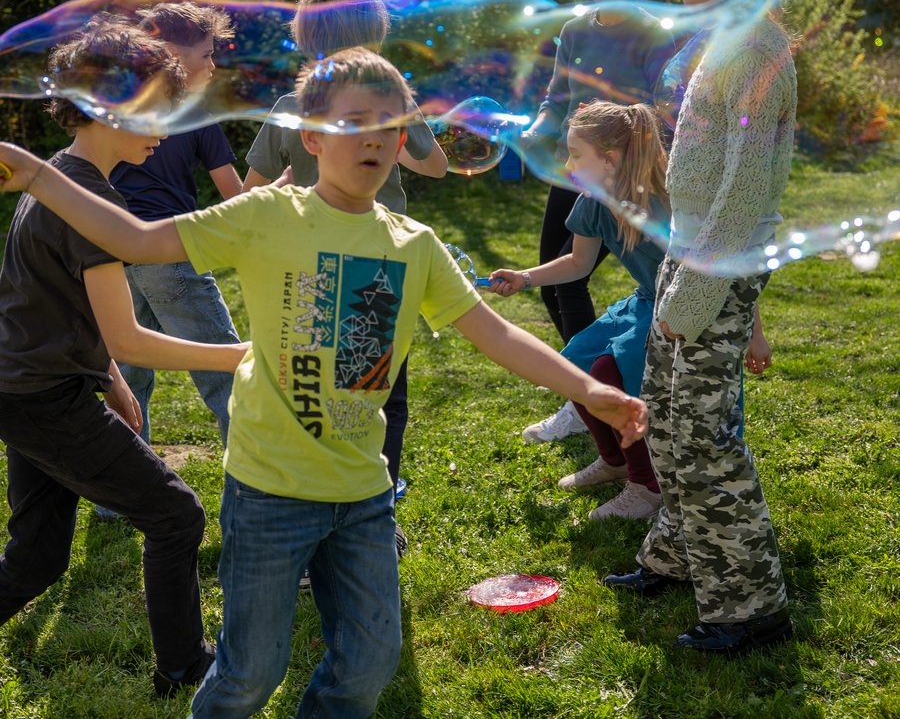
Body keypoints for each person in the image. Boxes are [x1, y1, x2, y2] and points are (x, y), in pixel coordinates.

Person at [0, 46, 648, 718]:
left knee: (368, 663)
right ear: (310, 138)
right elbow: (133, 239)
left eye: (389, 124)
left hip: (362, 492)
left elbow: (497, 333)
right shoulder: (264, 216)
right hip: (268, 492)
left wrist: (592, 390)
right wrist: (37, 175)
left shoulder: (413, 245)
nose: (373, 135)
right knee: (250, 674)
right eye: (354, 120)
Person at [0, 16, 247, 697]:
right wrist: (243, 356)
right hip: (44, 398)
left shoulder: (61, 179)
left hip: (27, 390)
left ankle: (181, 664)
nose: (168, 128)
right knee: (176, 514)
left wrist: (110, 379)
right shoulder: (86, 199)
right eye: (161, 111)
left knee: (39, 559)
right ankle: (184, 666)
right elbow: (132, 338)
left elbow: (64, 307)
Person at [603, 0, 796, 657]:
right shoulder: (731, 45)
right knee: (672, 420)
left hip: (715, 270)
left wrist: (692, 296)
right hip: (692, 260)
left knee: (706, 441)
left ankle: (751, 602)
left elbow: (744, 197)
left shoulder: (756, 55)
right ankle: (680, 555)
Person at [243, 0, 448, 555]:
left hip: (303, 275)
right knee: (378, 396)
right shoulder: (389, 105)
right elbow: (435, 166)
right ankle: (366, 517)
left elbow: (252, 190)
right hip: (373, 276)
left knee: (306, 395)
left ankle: (320, 522)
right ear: (374, 34)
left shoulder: (289, 105)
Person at [492, 101, 772, 521]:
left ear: (610, 159)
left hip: (684, 308)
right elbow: (577, 264)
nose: (568, 164)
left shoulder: (672, 199)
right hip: (647, 300)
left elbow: (728, 272)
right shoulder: (593, 200)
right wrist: (524, 277)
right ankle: (616, 461)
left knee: (611, 373)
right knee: (576, 367)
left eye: (575, 154)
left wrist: (754, 333)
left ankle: (646, 486)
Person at [523, 0, 676, 444]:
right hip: (579, 165)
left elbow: (667, 108)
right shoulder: (574, 31)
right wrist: (534, 133)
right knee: (557, 273)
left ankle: (598, 394)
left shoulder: (656, 31)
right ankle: (585, 393)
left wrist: (621, 127)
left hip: (629, 175)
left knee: (588, 273)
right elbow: (554, 99)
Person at [108, 1, 242, 449]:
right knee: (227, 370)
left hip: (112, 257)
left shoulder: (119, 106)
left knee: (127, 382)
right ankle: (258, 486)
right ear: (170, 51)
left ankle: (118, 494)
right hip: (168, 256)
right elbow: (234, 195)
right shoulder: (196, 113)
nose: (213, 63)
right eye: (206, 53)